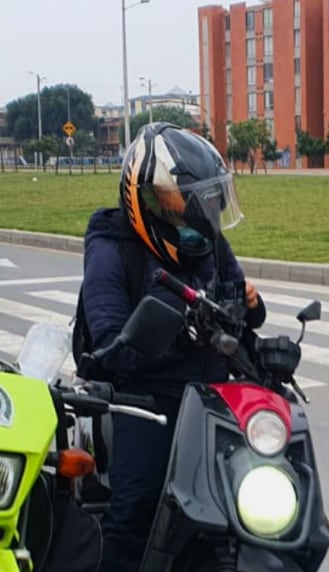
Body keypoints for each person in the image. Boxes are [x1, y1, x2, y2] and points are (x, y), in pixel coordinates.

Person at [81, 122, 266, 572]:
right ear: (148, 196)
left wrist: (252, 309)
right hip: (145, 402)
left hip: (213, 400)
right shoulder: (112, 248)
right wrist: (174, 333)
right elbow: (109, 343)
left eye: (207, 196)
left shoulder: (207, 242)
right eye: (186, 196)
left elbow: (237, 299)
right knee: (134, 514)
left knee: (254, 512)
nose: (201, 208)